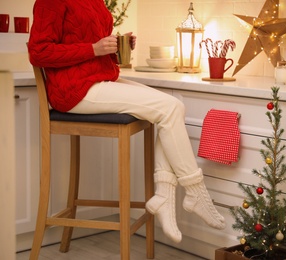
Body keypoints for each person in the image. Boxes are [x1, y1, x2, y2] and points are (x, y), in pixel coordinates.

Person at [28, 0, 225, 243]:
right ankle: (195, 192)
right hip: (73, 90)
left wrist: (115, 45)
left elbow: (87, 41)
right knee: (168, 109)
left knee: (174, 106)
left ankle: (165, 192)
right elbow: (38, 52)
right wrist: (95, 49)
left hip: (97, 80)